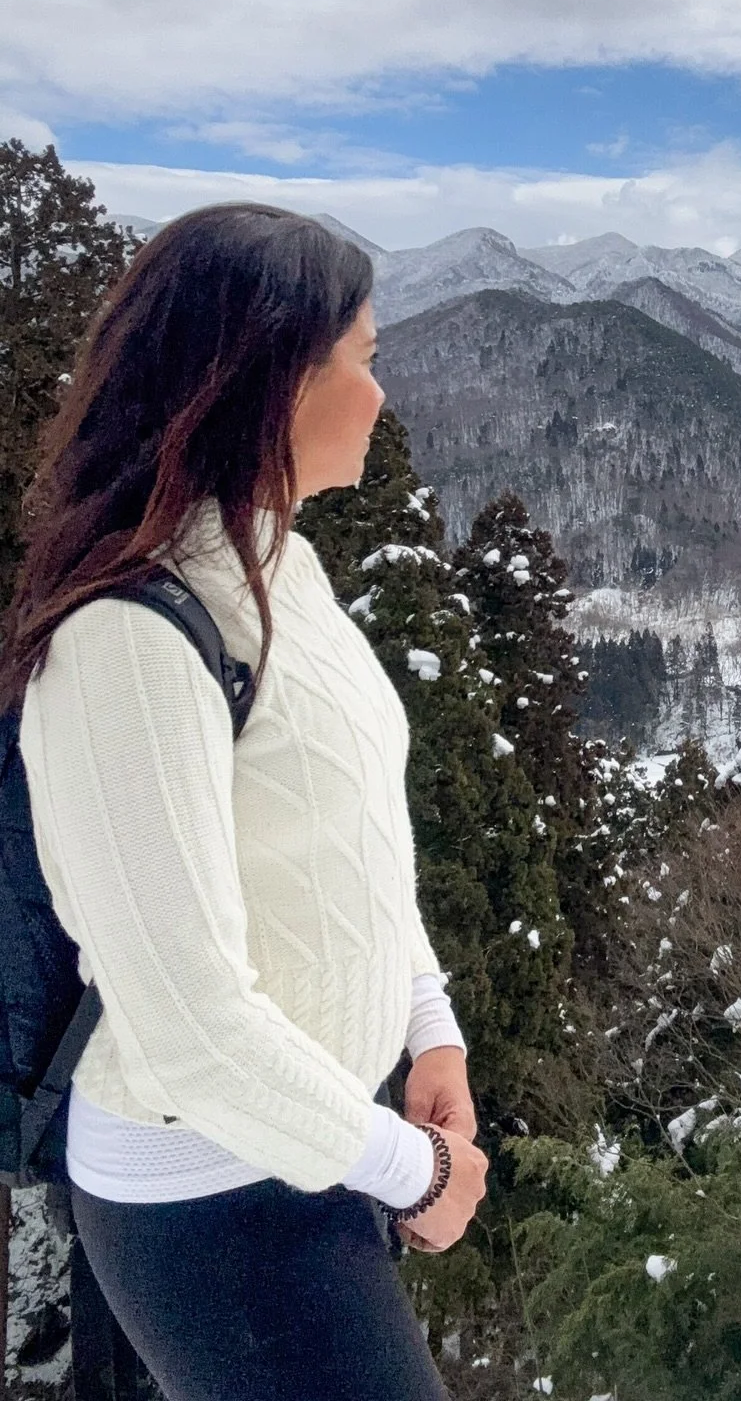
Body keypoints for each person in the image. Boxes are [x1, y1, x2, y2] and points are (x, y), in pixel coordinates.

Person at [0, 203, 490, 1401]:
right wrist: (410, 1171)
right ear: (269, 384)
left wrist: (428, 1028)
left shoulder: (277, 560)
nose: (383, 397)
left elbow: (350, 836)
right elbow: (190, 1023)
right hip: (208, 1195)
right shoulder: (128, 636)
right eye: (364, 362)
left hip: (311, 1142)